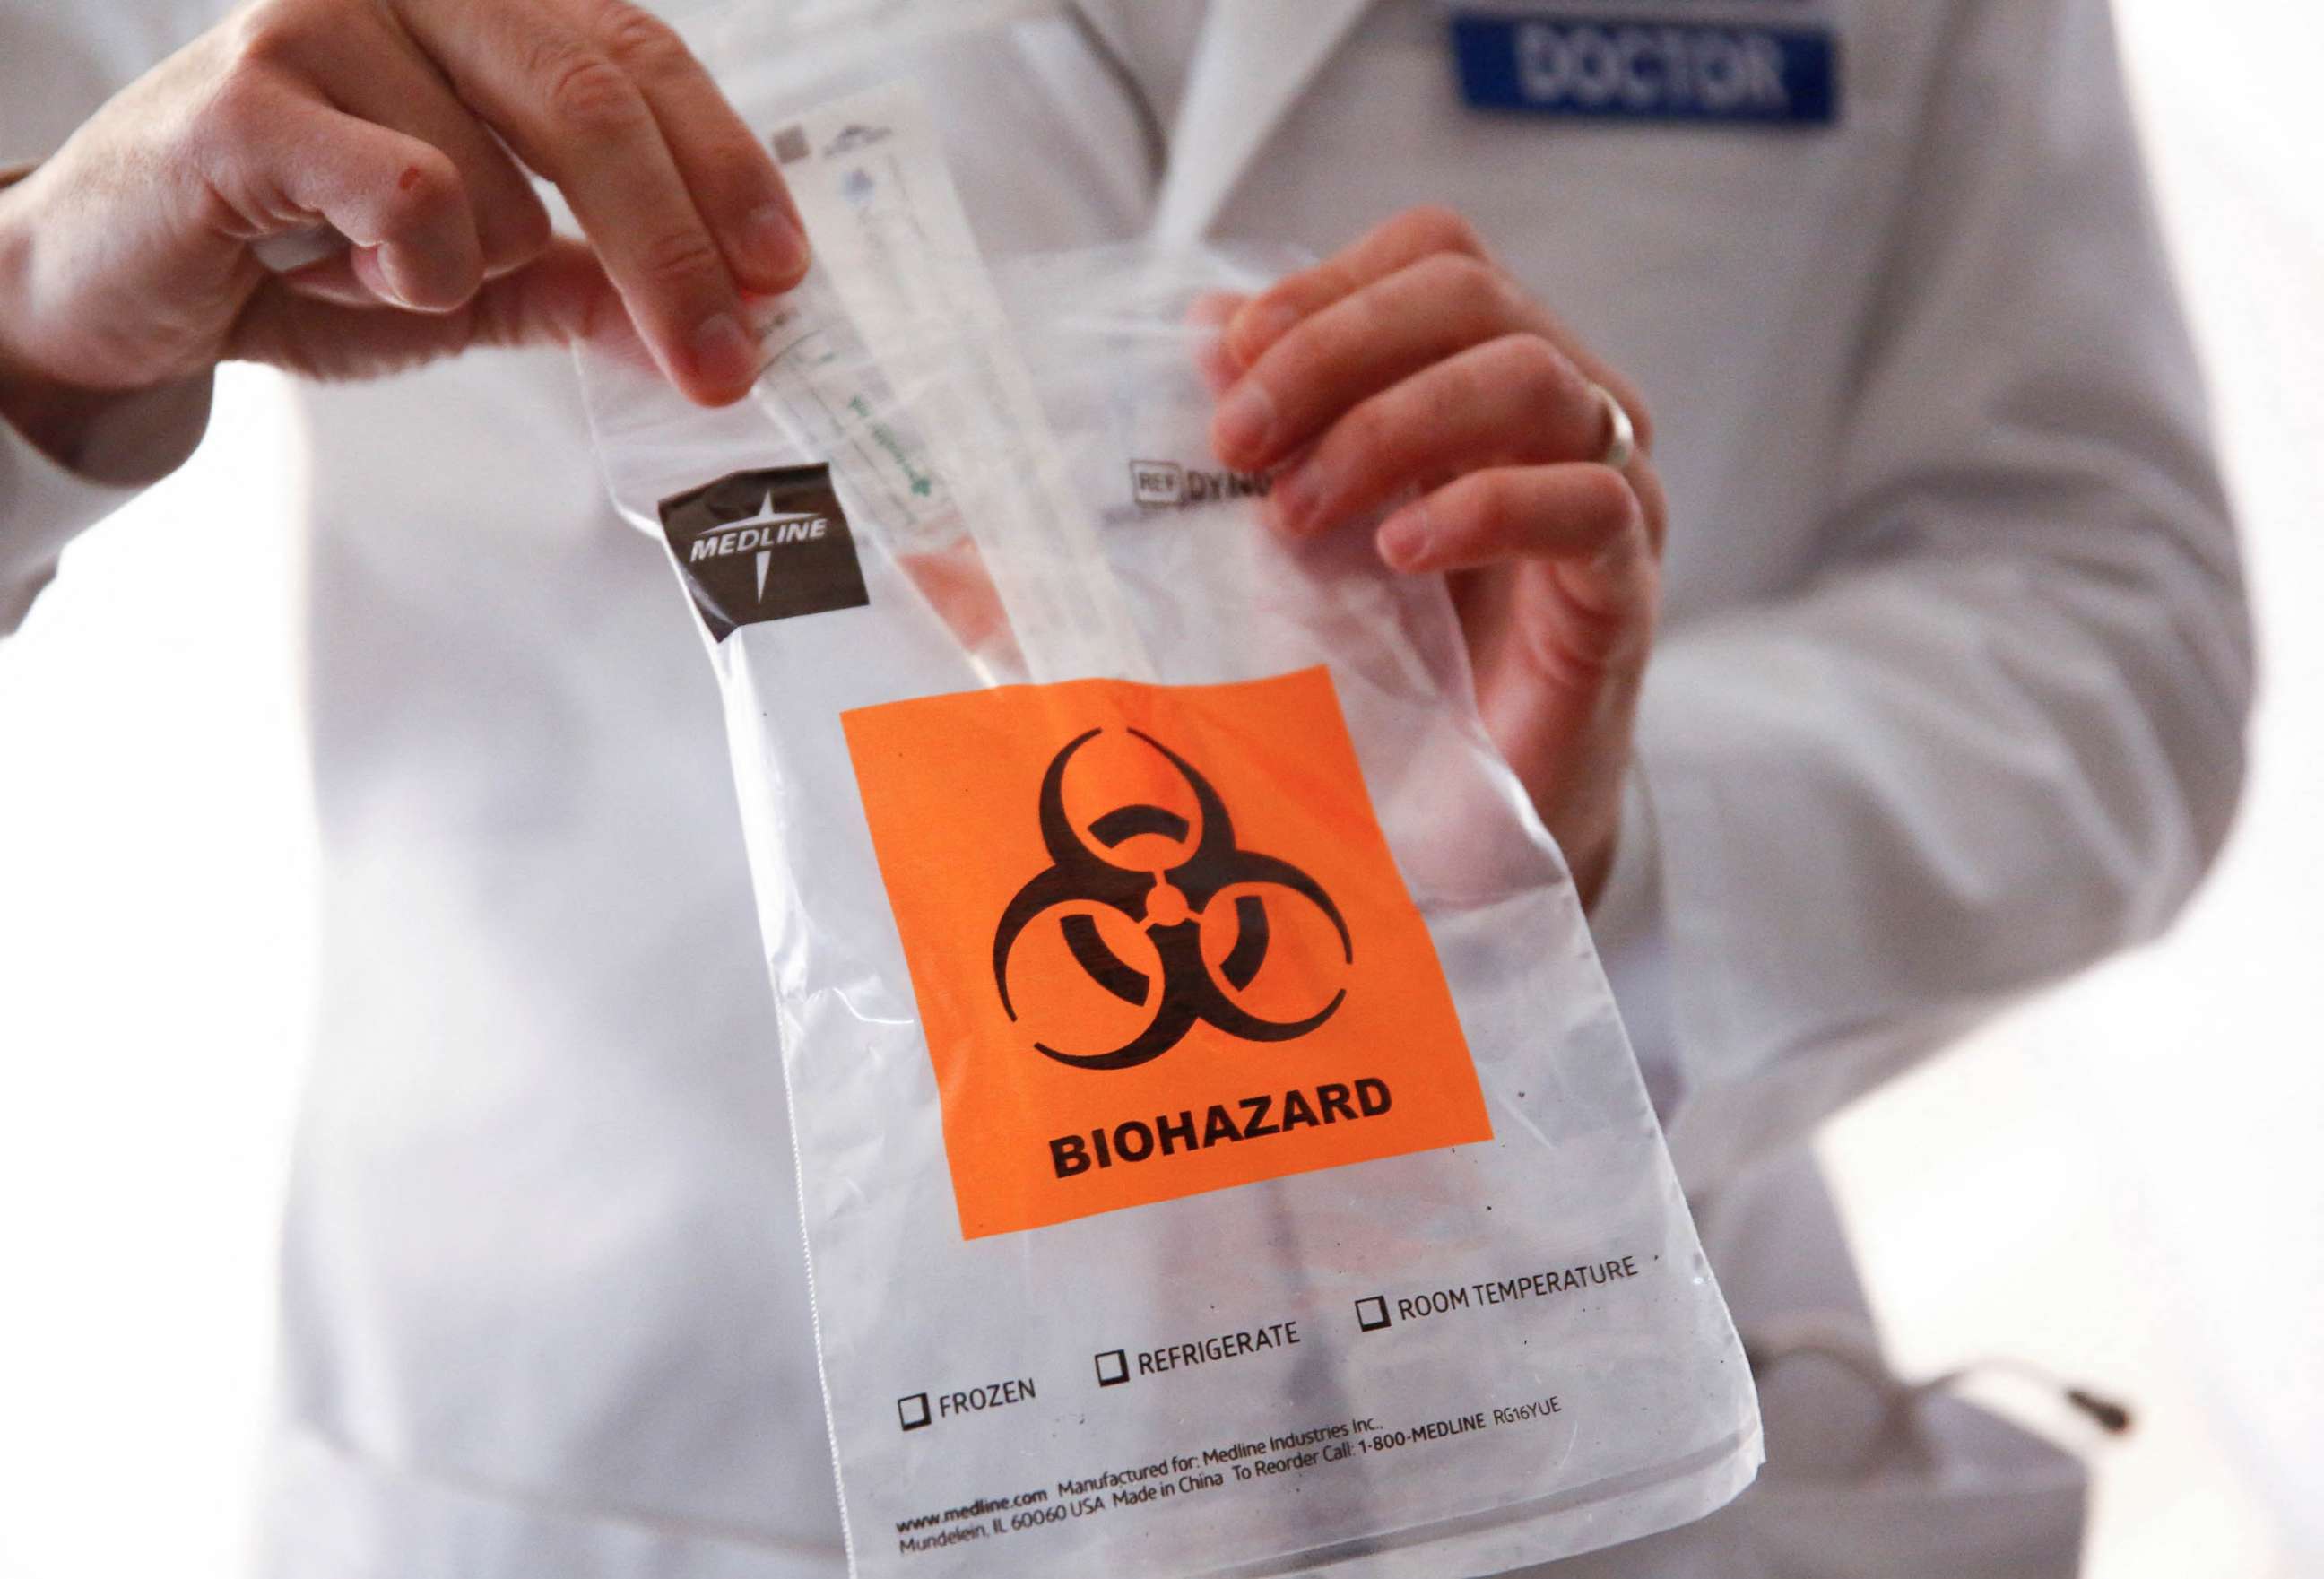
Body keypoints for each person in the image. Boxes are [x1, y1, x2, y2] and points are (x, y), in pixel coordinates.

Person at [0, 1, 2250, 1574]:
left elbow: (2108, 602)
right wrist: (27, 312)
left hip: (1592, 1460)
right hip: (644, 1457)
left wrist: (1574, 866)